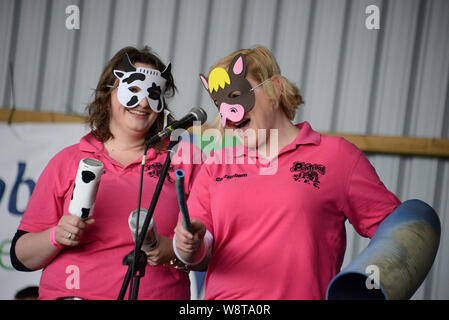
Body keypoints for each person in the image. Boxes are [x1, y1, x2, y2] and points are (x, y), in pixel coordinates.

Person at [173, 46, 402, 300]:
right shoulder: (215, 165)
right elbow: (199, 254)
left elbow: (399, 231)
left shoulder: (338, 157)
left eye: (236, 95)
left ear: (276, 88)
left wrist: (362, 288)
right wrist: (187, 245)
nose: (229, 113)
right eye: (220, 103)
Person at [10, 46, 201, 300]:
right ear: (108, 94)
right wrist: (56, 235)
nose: (143, 102)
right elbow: (21, 257)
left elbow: (209, 253)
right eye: (133, 89)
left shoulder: (184, 162)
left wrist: (175, 252)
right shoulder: (68, 160)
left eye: (153, 93)